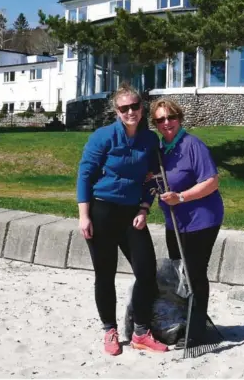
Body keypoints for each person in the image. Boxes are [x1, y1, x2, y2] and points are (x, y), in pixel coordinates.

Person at [76, 84, 168, 355]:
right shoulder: (102, 137)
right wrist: (84, 216)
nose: (130, 112)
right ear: (116, 111)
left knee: (147, 272)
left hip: (131, 214)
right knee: (105, 275)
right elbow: (85, 175)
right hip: (102, 211)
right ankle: (110, 330)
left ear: (142, 108)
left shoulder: (150, 140)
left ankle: (141, 332)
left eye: (135, 106)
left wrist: (143, 209)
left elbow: (153, 179)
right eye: (124, 108)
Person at [149, 98, 224, 348]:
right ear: (155, 124)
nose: (166, 123)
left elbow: (211, 181)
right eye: (160, 119)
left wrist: (181, 197)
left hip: (202, 219)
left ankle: (196, 333)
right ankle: (184, 323)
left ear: (179, 118)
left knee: (194, 274)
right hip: (175, 223)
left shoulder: (193, 145)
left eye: (170, 117)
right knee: (179, 275)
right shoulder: (160, 151)